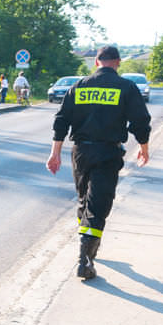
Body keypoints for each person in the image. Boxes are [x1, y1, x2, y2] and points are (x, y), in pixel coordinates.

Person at [45, 46, 151, 280]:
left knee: (85, 199)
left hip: (81, 152)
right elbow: (140, 122)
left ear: (96, 62)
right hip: (107, 152)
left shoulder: (79, 86)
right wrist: (144, 148)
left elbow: (61, 121)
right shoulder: (126, 87)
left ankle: (88, 247)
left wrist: (55, 154)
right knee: (99, 204)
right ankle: (85, 259)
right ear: (118, 62)